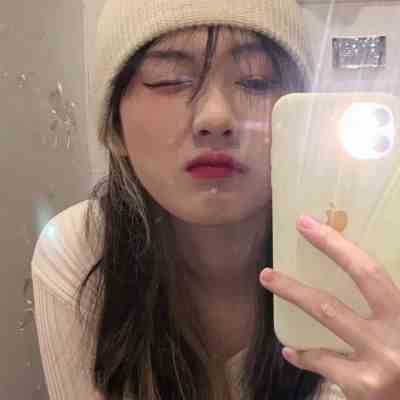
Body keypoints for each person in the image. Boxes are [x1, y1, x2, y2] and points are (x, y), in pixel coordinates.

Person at [31, 0, 400, 399]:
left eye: (256, 80)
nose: (216, 118)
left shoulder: (376, 264)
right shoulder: (80, 251)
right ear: (114, 128)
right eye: (169, 80)